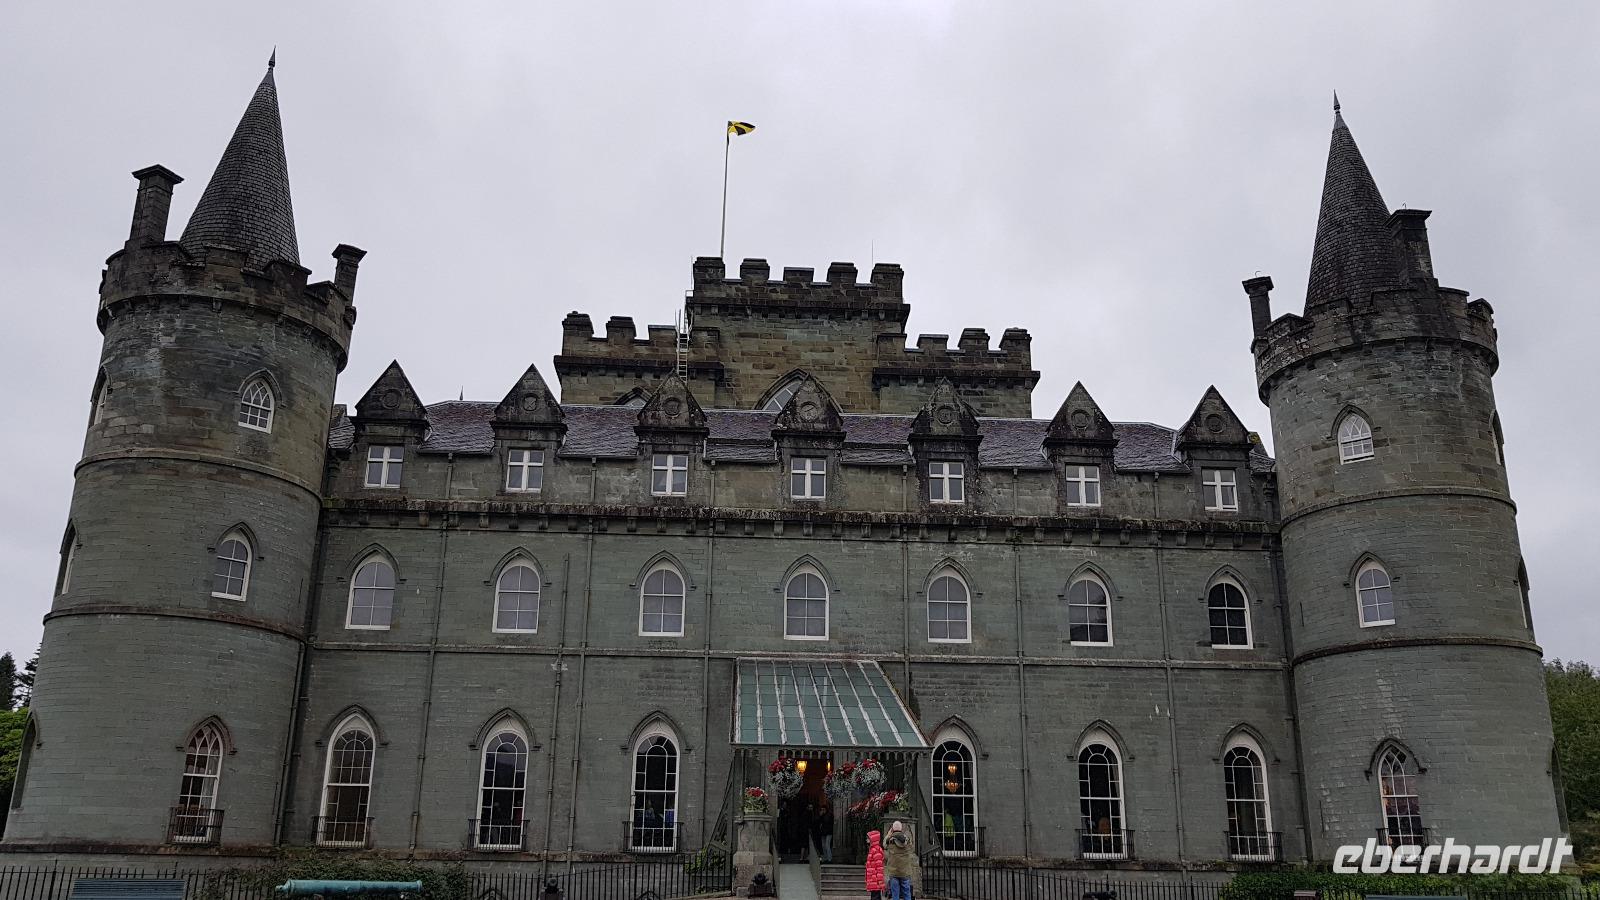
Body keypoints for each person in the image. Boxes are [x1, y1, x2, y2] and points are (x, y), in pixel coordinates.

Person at [883, 819, 917, 900]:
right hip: (905, 871)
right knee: (906, 893)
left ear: (893, 829)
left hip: (893, 871)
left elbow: (884, 845)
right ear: (901, 829)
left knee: (895, 895)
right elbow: (912, 849)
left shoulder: (890, 840)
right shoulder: (907, 840)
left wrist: (888, 835)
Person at [864, 829, 886, 900]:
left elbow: (879, 867)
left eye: (868, 838)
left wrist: (880, 881)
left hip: (875, 880)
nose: (867, 839)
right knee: (875, 897)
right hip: (873, 880)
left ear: (872, 839)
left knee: (875, 897)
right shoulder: (873, 850)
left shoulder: (875, 850)